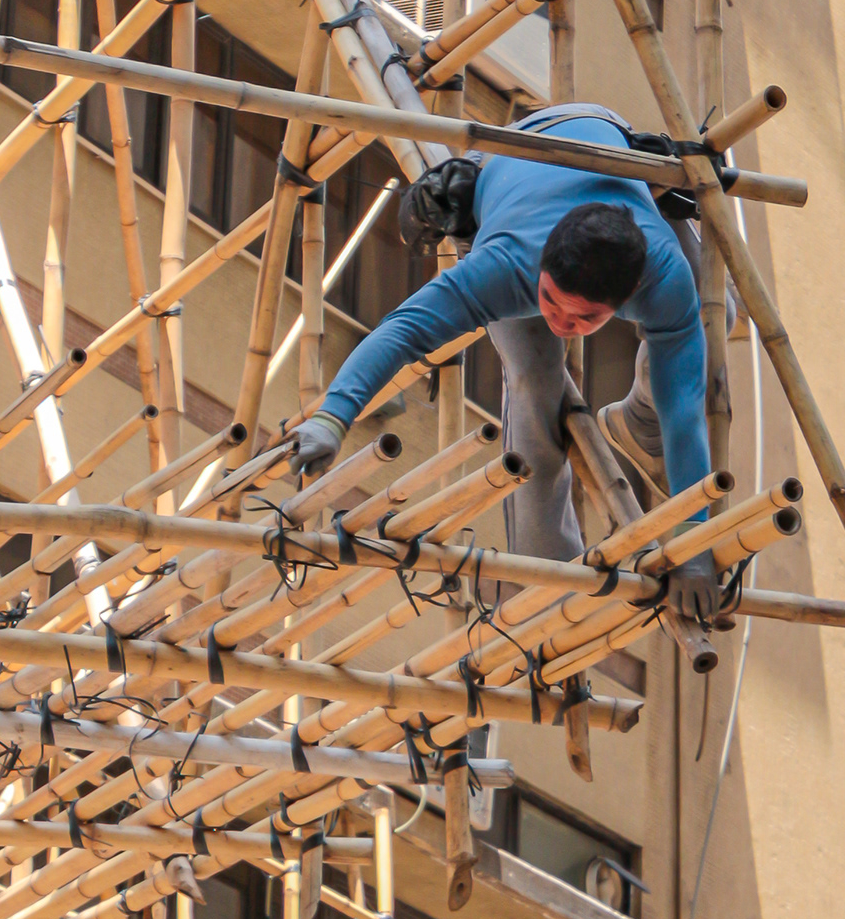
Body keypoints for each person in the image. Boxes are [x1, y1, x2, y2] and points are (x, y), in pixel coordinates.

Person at [285, 105, 721, 622]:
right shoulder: (505, 265)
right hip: (515, 164)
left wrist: (695, 544)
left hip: (609, 144)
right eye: (551, 302)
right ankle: (551, 582)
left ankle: (636, 422)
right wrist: (333, 416)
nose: (561, 322)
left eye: (584, 318)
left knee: (714, 317)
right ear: (542, 271)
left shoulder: (663, 280)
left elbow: (685, 412)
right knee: (535, 384)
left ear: (625, 300)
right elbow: (404, 330)